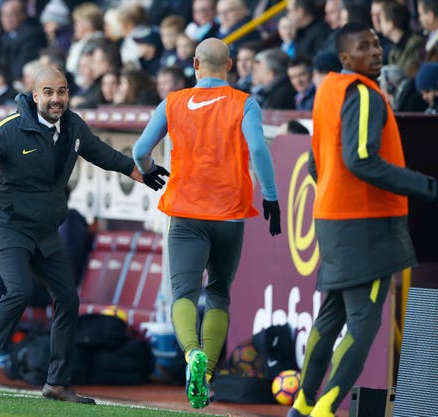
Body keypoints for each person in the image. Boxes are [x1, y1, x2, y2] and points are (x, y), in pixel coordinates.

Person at [0, 67, 142, 403]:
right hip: (6, 223)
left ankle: (57, 383)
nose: (56, 99)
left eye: (62, 91)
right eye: (49, 92)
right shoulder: (11, 128)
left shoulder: (74, 126)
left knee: (67, 298)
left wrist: (132, 169)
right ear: (35, 95)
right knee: (19, 289)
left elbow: (100, 152)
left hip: (44, 229)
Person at [287, 23, 438, 417]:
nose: (375, 51)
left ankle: (302, 406)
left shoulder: (327, 91)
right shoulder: (364, 94)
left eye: (376, 44)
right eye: (364, 46)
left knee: (331, 313)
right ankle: (325, 410)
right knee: (362, 326)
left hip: (333, 220)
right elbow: (361, 160)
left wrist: (336, 192)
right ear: (345, 58)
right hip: (368, 226)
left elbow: (316, 164)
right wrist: (426, 186)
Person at [132, 38, 280, 409]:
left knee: (183, 293)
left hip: (185, 213)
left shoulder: (173, 102)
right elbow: (259, 148)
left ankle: (191, 353)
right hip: (229, 212)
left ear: (195, 63)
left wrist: (149, 172)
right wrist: (272, 196)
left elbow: (139, 151)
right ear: (229, 65)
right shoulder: (245, 103)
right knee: (218, 292)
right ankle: (208, 373)